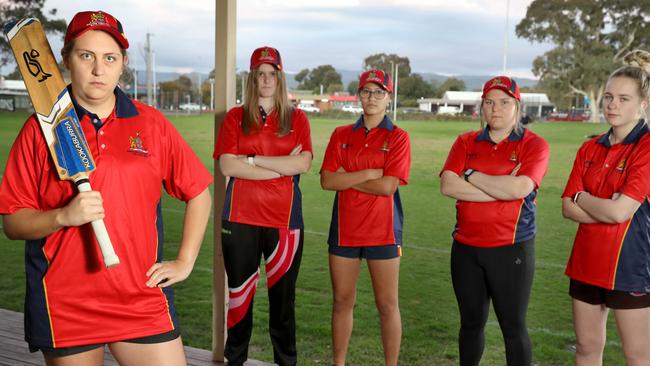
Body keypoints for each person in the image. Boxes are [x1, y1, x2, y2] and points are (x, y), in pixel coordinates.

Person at [0, 10, 213, 366]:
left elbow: (199, 193)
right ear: (67, 59)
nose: (99, 70)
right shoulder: (38, 131)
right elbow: (13, 223)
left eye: (109, 58)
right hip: (68, 301)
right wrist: (63, 216)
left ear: (123, 64)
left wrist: (184, 261)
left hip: (140, 296)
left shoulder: (151, 124)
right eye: (87, 56)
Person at [440, 76, 549, 366]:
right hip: (466, 249)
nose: (495, 109)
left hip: (511, 249)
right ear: (481, 107)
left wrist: (471, 174)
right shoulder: (465, 141)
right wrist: (501, 191)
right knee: (470, 324)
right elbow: (448, 186)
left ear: (517, 105)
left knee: (513, 329)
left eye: (504, 102)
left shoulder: (534, 145)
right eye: (489, 102)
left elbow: (519, 189)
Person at [213, 46, 312, 366]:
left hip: (284, 222)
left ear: (280, 78)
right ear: (252, 79)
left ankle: (286, 362)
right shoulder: (234, 118)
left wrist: (253, 160)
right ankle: (235, 359)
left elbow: (304, 164)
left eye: (272, 74)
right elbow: (228, 166)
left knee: (283, 305)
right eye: (260, 74)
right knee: (239, 300)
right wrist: (281, 166)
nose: (266, 80)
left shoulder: (297, 118)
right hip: (239, 218)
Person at [561, 50, 650, 366]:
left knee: (637, 356)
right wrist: (595, 203)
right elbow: (566, 207)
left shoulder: (647, 146)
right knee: (586, 349)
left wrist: (582, 198)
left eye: (624, 99)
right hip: (585, 262)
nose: (612, 104)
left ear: (643, 104)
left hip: (631, 267)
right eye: (609, 96)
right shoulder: (589, 147)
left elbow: (620, 212)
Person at [320, 69, 411, 366]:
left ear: (388, 97)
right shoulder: (341, 134)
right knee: (342, 302)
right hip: (345, 231)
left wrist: (347, 177)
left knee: (387, 305)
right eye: (366, 92)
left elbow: (388, 187)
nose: (371, 98)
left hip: (383, 232)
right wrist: (369, 173)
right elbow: (327, 181)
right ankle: (339, 363)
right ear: (359, 95)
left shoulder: (398, 137)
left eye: (378, 92)